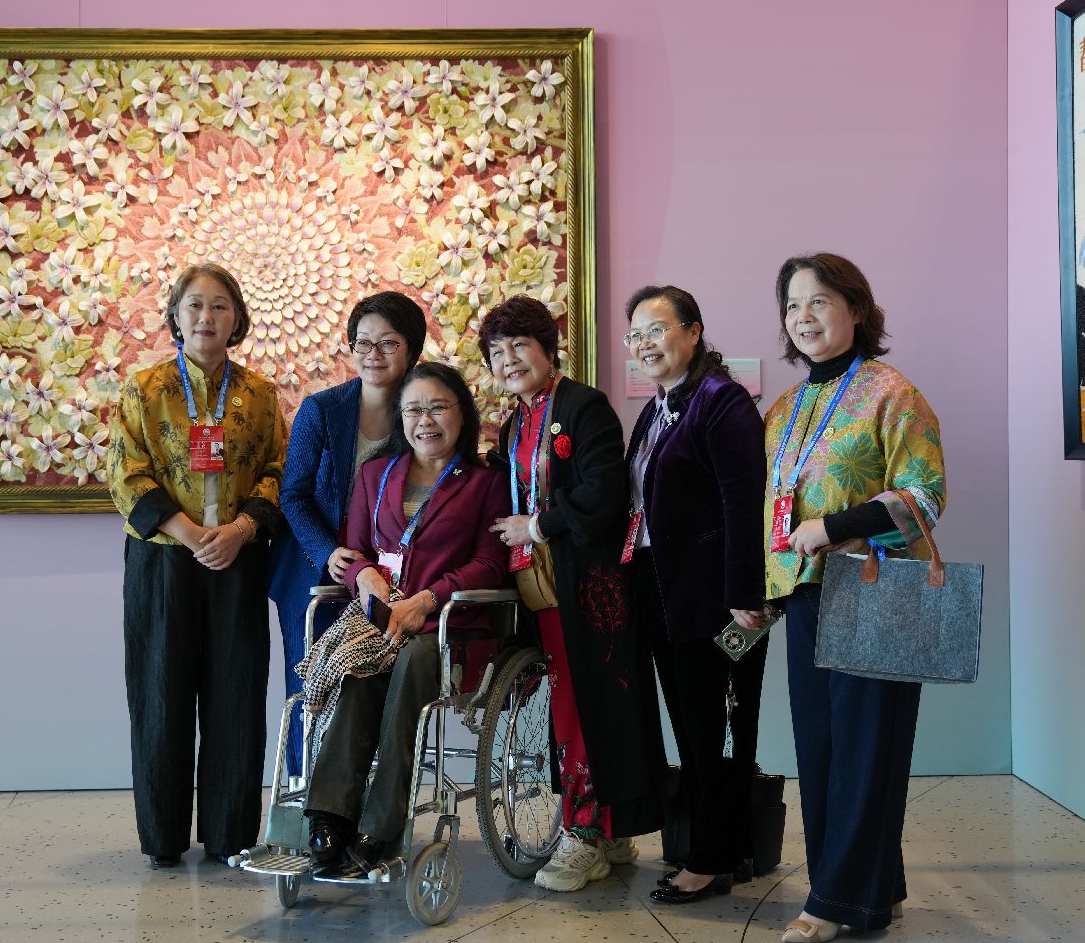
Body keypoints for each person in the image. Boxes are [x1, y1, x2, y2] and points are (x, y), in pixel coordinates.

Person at [764, 253, 945, 943]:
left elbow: (925, 495)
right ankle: (876, 891)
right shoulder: (785, 409)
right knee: (822, 747)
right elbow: (775, 511)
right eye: (792, 305)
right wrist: (766, 589)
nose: (803, 317)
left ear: (856, 310)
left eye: (818, 301)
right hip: (806, 595)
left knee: (868, 749)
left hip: (876, 590)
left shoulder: (892, 393)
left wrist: (834, 526)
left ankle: (833, 900)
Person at [479, 295, 665, 893]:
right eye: (497, 352)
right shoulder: (515, 423)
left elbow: (605, 489)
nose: (509, 360)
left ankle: (585, 833)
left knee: (590, 708)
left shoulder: (584, 406)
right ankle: (608, 830)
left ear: (547, 348)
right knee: (576, 706)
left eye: (520, 345)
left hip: (589, 587)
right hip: (543, 587)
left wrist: (537, 525)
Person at [107, 262, 288, 868]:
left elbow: (278, 471)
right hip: (163, 560)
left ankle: (231, 834)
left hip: (237, 557)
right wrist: (188, 535)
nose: (206, 317)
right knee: (160, 692)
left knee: (236, 691)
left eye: (219, 306)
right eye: (195, 305)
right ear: (176, 316)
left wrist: (239, 531)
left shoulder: (260, 394)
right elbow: (126, 475)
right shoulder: (145, 388)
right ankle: (162, 838)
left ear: (237, 319)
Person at [302, 362, 507, 876]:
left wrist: (430, 599)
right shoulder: (375, 474)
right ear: (400, 417)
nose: (425, 420)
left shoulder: (485, 482)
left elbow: (490, 564)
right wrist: (363, 575)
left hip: (450, 630)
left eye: (438, 407)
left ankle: (382, 821)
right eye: (414, 409)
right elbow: (355, 550)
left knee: (413, 658)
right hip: (384, 622)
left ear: (462, 413)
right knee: (358, 671)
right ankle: (329, 814)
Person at [620, 285, 770, 906]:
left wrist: (747, 593)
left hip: (717, 597)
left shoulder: (721, 401)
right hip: (666, 590)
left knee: (720, 728)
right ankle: (722, 846)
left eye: (657, 330)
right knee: (691, 723)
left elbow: (745, 501)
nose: (644, 344)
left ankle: (711, 859)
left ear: (693, 331)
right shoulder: (658, 408)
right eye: (635, 335)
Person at [268, 291, 427, 777]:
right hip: (315, 570)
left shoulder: (421, 412)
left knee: (367, 687)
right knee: (310, 685)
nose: (373, 354)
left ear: (412, 349)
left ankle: (358, 799)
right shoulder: (322, 409)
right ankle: (302, 792)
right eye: (363, 342)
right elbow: (292, 494)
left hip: (385, 574)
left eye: (388, 343)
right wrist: (327, 550)